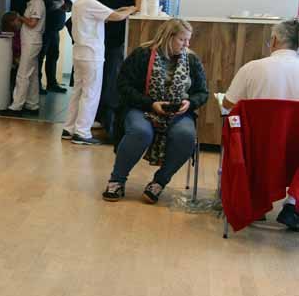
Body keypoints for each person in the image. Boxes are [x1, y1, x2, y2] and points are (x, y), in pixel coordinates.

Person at [102, 18, 208, 204]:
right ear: (168, 37)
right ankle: (117, 180)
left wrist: (190, 103)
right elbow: (123, 85)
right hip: (142, 106)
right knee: (140, 132)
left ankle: (159, 182)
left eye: (188, 40)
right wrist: (151, 104)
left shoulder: (192, 60)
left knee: (186, 136)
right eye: (182, 40)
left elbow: (202, 92)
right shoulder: (142, 54)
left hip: (178, 112)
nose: (187, 44)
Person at [221, 18, 299, 228]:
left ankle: (255, 201)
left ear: (274, 41)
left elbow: (228, 104)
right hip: (295, 153)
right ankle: (293, 204)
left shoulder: (252, 68)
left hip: (257, 149)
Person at [61, 0, 136, 145]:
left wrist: (122, 9)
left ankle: (69, 128)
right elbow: (116, 17)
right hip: (91, 55)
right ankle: (82, 132)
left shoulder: (79, 3)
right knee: (91, 93)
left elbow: (108, 13)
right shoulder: (90, 3)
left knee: (78, 92)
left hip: (79, 54)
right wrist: (132, 9)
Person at [96, 0, 136, 134]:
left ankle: (109, 121)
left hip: (116, 46)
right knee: (98, 81)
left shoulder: (127, 0)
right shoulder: (100, 0)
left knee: (111, 82)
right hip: (100, 44)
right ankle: (96, 117)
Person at [0, 0, 45, 117]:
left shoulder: (38, 3)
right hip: (29, 41)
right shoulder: (31, 3)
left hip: (32, 41)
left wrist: (20, 17)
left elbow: (32, 23)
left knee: (23, 74)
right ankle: (32, 104)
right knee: (32, 75)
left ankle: (16, 106)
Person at [39, 0, 71, 93]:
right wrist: (61, 2)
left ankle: (52, 83)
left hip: (55, 31)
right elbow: (49, 6)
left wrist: (61, 4)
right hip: (44, 31)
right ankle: (37, 85)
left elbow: (70, 5)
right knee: (40, 57)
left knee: (53, 56)